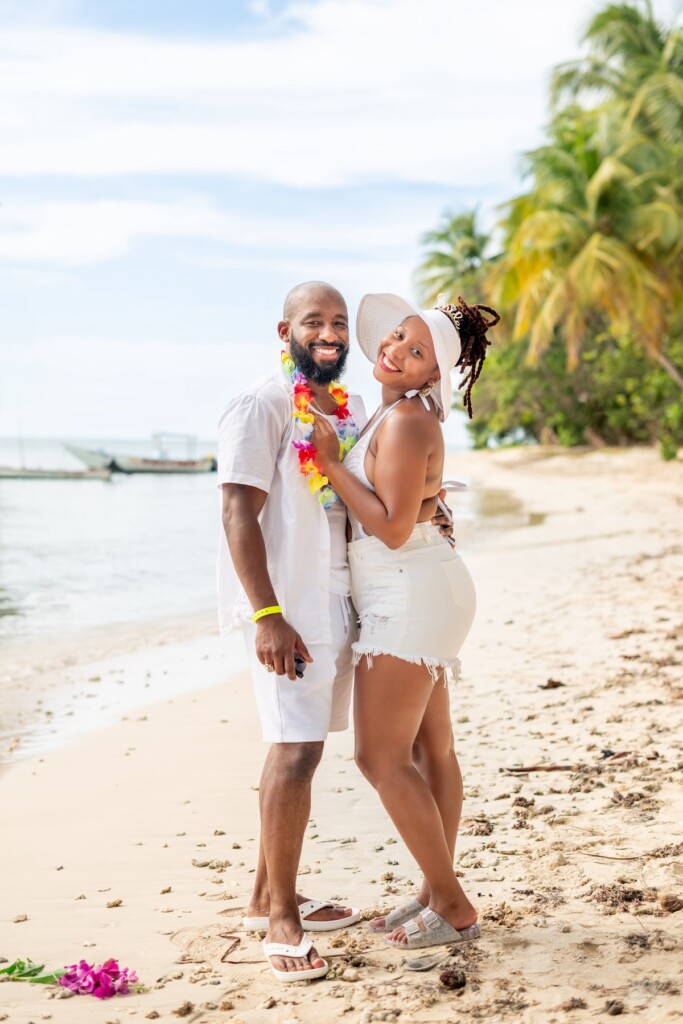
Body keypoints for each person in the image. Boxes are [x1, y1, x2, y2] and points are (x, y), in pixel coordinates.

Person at [217, 282, 454, 982]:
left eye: (339, 323)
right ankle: (282, 919)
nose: (329, 332)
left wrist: (431, 507)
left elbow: (368, 499)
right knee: (293, 752)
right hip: (288, 610)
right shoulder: (259, 403)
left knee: (309, 745)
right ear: (284, 328)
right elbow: (236, 512)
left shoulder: (338, 410)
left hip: (344, 603)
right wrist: (265, 614)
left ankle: (267, 893)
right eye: (313, 321)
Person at [310, 292, 499, 950]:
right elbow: (408, 508)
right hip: (420, 585)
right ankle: (433, 889)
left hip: (407, 589)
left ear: (429, 376)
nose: (393, 350)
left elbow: (389, 528)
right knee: (429, 749)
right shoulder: (396, 417)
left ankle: (451, 902)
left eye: (413, 351)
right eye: (395, 337)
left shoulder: (407, 422)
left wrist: (331, 462)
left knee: (379, 755)